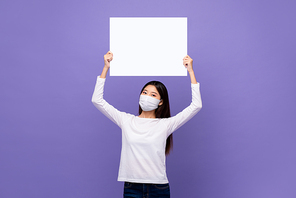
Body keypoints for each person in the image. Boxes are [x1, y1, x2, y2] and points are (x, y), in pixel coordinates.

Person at [91, 51, 202, 198]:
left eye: (153, 94)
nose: (146, 96)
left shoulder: (165, 125)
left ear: (160, 102)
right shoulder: (126, 120)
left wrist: (191, 71)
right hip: (132, 186)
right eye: (144, 92)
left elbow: (196, 105)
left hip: (158, 187)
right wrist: (106, 68)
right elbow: (97, 100)